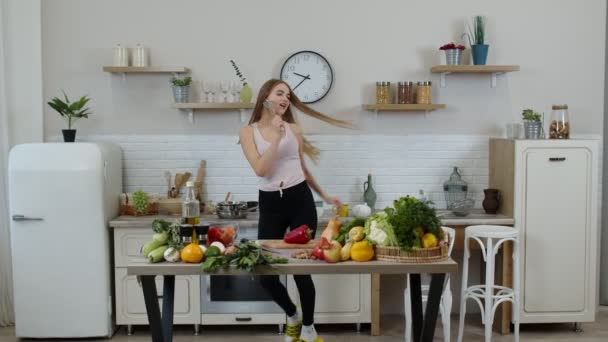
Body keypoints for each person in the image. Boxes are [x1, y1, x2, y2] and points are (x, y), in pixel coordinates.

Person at [239, 79, 351, 342]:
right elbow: (260, 170)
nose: (285, 98)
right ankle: (292, 314)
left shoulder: (294, 129)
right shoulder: (248, 132)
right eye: (280, 93)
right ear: (265, 95)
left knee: (302, 269)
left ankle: (309, 329)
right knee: (264, 272)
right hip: (270, 203)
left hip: (300, 199)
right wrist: (276, 137)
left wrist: (324, 195)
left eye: (288, 95)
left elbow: (302, 167)